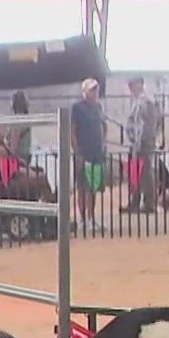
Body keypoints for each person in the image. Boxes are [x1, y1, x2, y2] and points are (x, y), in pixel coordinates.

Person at [123, 76, 164, 213]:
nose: (131, 87)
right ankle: (135, 201)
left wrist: (142, 140)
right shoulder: (141, 101)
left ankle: (149, 204)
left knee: (145, 172)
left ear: (141, 84)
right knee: (135, 172)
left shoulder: (146, 101)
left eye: (133, 84)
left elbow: (147, 124)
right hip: (138, 142)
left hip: (143, 142)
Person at [70, 78, 107, 229]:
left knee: (94, 186)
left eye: (96, 90)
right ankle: (83, 219)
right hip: (83, 152)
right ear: (84, 92)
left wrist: (103, 143)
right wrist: (77, 151)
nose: (95, 92)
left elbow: (103, 126)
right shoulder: (77, 108)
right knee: (83, 186)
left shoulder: (98, 107)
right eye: (92, 90)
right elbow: (72, 130)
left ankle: (92, 218)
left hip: (96, 152)